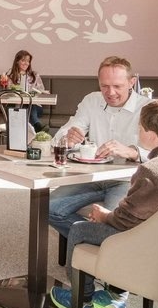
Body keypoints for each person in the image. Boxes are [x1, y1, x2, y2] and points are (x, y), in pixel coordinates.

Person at [49, 100, 158, 308]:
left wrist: (104, 215)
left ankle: (83, 300)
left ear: (151, 136)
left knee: (80, 230)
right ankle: (110, 294)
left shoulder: (152, 170)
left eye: (140, 127)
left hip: (156, 247)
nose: (138, 131)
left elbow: (125, 221)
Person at [48, 56, 152, 239]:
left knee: (115, 223)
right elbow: (60, 137)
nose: (110, 92)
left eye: (117, 86)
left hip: (128, 180)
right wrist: (68, 138)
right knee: (47, 208)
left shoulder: (147, 108)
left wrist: (132, 152)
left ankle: (92, 241)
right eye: (104, 86)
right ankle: (93, 239)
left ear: (132, 82)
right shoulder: (91, 101)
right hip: (92, 176)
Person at [5, 50, 47, 132]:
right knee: (19, 108)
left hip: (35, 107)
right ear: (17, 61)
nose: (26, 63)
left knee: (30, 104)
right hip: (17, 105)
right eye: (23, 60)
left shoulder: (35, 75)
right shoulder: (11, 76)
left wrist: (37, 92)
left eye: (28, 61)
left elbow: (41, 90)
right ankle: (37, 127)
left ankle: (37, 125)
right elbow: (8, 92)